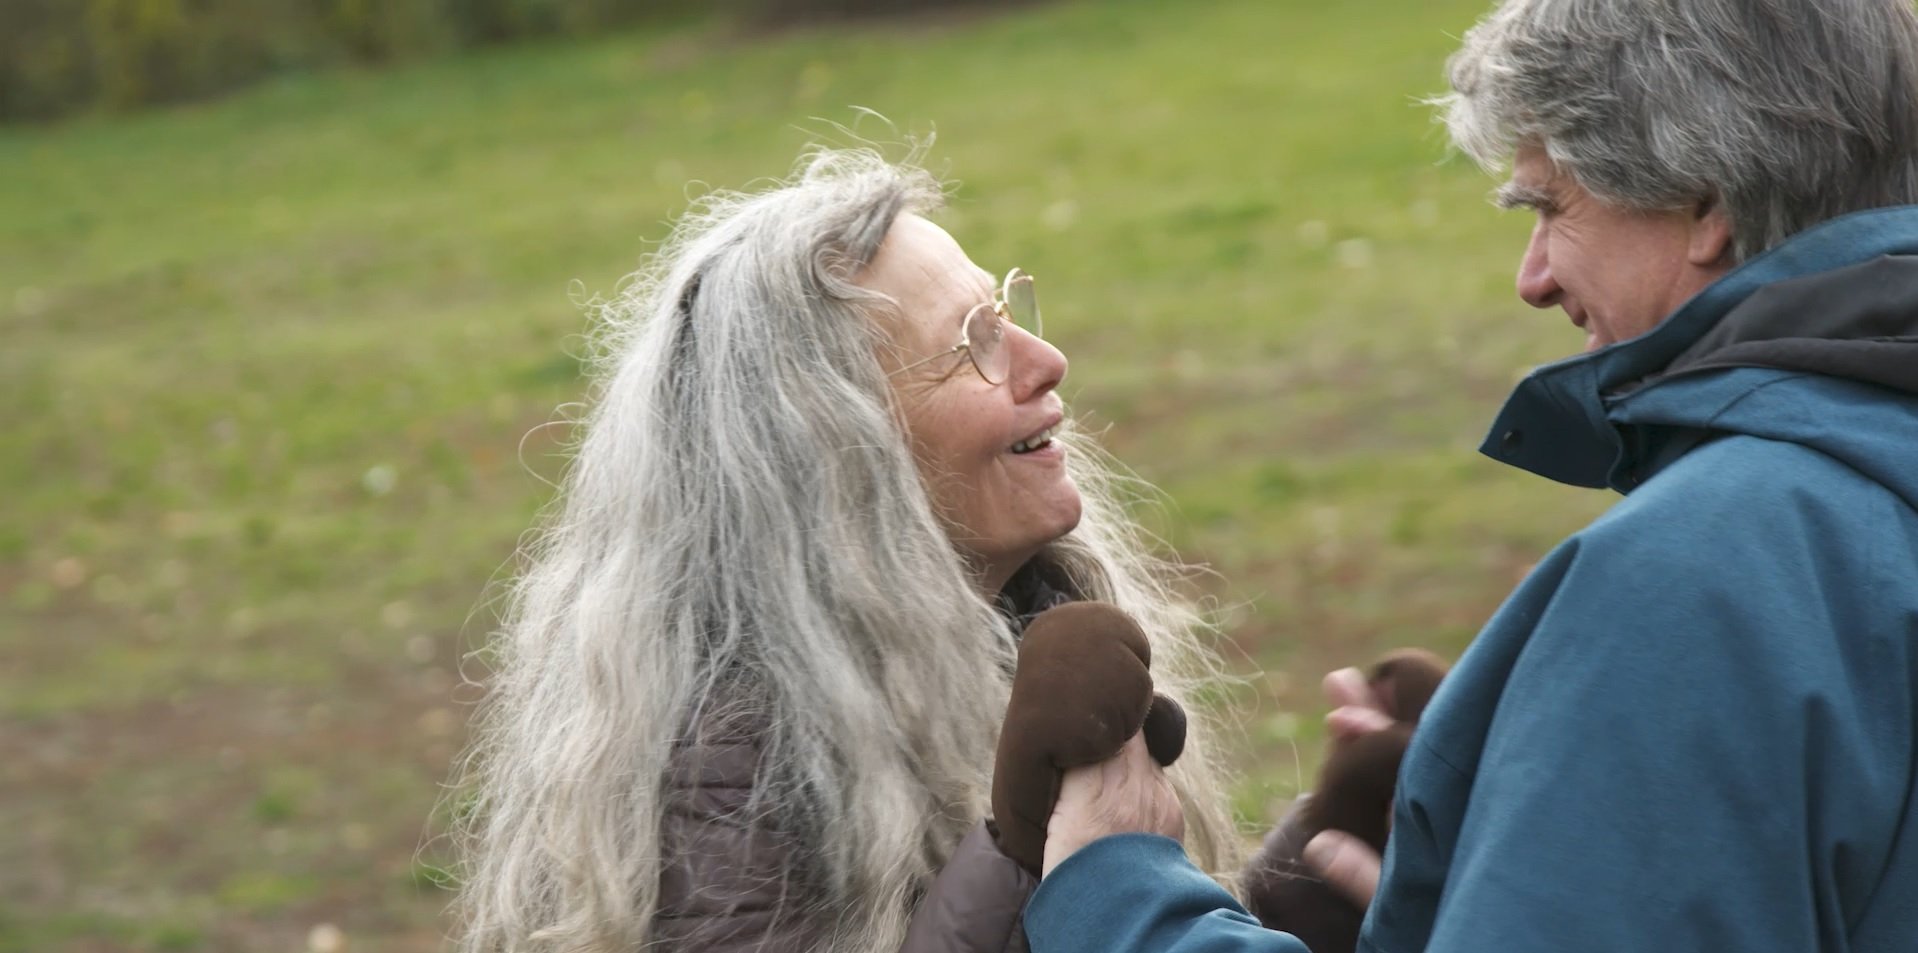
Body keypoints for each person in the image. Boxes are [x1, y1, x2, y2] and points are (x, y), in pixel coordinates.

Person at [1026, 0, 1918, 951]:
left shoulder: (1699, 582)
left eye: (1551, 207)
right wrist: (1513, 844)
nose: (1533, 278)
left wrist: (1120, 898)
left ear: (1705, 202)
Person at [444, 147, 1245, 953]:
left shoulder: (1023, 626)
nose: (1046, 361)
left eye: (1007, 313)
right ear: (837, 455)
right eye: (973, 343)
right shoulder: (719, 775)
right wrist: (1023, 841)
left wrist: (1317, 871)